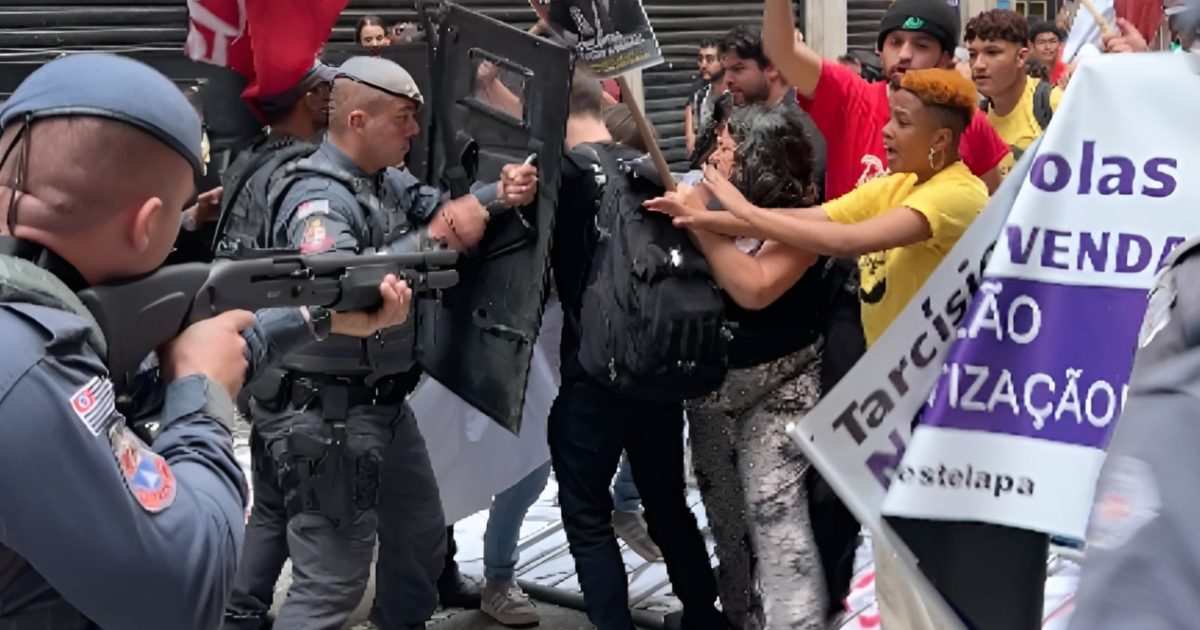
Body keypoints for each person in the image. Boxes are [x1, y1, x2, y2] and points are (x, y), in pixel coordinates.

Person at [0, 53, 411, 630]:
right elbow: (186, 593)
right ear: (147, 224)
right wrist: (202, 404)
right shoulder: (25, 375)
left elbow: (134, 381)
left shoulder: (31, 326)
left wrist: (318, 320)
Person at [658, 68, 988, 630]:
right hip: (893, 404)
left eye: (901, 122)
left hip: (937, 405)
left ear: (940, 138)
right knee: (894, 565)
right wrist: (702, 214)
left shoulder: (959, 194)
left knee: (926, 570)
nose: (884, 132)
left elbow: (841, 239)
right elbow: (811, 218)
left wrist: (730, 207)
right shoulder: (902, 182)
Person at [256, 55, 538, 630]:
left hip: (381, 406)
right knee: (331, 586)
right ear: (357, 120)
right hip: (326, 412)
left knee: (420, 542)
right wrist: (430, 239)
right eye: (404, 119)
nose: (414, 131)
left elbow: (440, 211)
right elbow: (333, 284)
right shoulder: (318, 197)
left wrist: (495, 196)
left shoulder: (384, 177)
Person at [551, 65, 726, 630]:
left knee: (585, 513)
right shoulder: (653, 166)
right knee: (667, 503)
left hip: (595, 369)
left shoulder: (567, 175)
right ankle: (703, 615)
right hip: (658, 362)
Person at [646, 105, 829, 629]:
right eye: (719, 145)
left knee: (773, 520)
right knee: (726, 524)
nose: (717, 157)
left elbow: (753, 286)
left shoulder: (803, 218)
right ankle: (738, 616)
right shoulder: (707, 198)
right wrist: (698, 200)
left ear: (765, 159)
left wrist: (701, 222)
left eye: (731, 149)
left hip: (781, 387)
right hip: (709, 392)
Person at [217, 60, 337, 630]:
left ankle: (240, 612)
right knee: (315, 529)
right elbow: (318, 272)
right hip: (291, 359)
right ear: (312, 99)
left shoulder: (251, 155)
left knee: (270, 500)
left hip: (252, 353)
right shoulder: (304, 171)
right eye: (330, 91)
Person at [762, 0, 1009, 199]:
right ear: (880, 51)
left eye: (921, 45)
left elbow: (993, 208)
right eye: (895, 42)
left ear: (945, 58)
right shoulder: (849, 96)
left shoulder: (969, 121)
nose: (904, 55)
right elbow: (783, 52)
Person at [966, 10, 1064, 173]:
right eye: (972, 55)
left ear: (1021, 57)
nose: (978, 65)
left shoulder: (1053, 102)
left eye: (992, 52)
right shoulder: (976, 120)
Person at [685, 39, 726, 153]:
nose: (703, 65)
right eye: (700, 59)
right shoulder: (698, 95)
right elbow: (691, 137)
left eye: (710, 60)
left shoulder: (735, 95)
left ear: (723, 62)